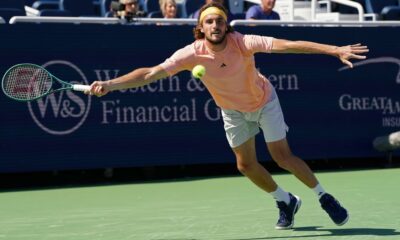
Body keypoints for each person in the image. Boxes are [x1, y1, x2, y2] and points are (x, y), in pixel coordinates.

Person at [88, 2, 368, 229]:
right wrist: (111, 85)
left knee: (281, 156)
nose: (215, 25)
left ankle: (324, 196)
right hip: (232, 111)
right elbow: (150, 73)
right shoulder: (190, 54)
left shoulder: (243, 42)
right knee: (245, 165)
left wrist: (333, 50)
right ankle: (285, 201)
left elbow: (289, 44)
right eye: (209, 21)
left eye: (219, 21)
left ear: (226, 25)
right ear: (200, 27)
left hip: (264, 101)